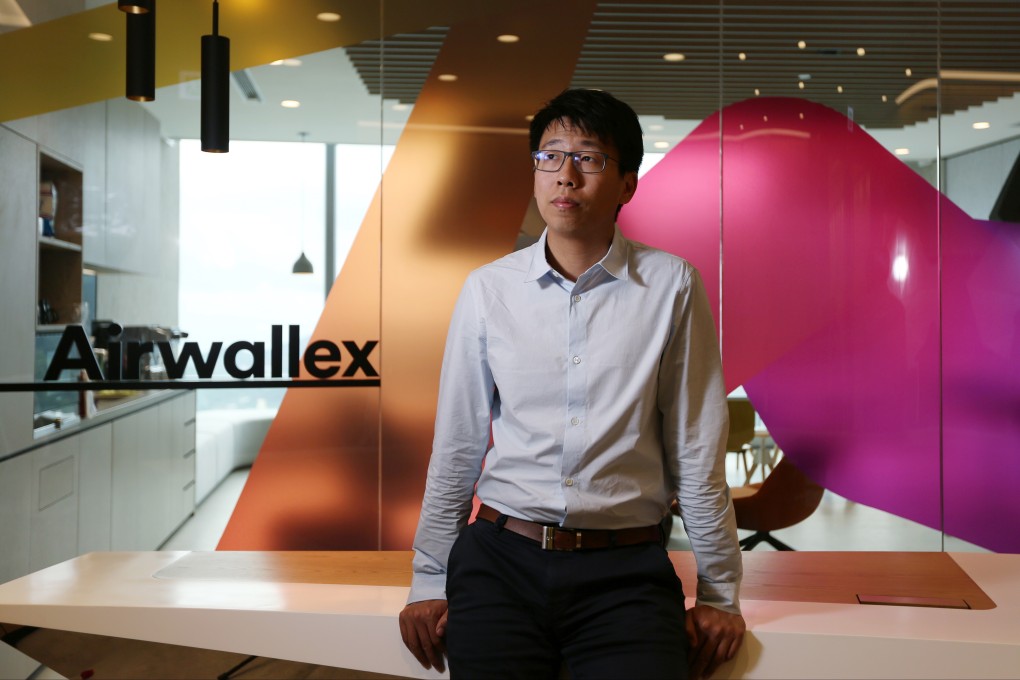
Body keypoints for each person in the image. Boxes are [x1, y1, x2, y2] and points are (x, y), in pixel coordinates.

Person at [399, 88, 745, 679]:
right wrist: (429, 577)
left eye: (588, 158)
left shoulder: (672, 286)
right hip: (499, 560)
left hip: (627, 571)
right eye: (550, 156)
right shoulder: (489, 289)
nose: (566, 176)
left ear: (627, 184)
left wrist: (719, 594)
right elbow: (458, 445)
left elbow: (696, 449)